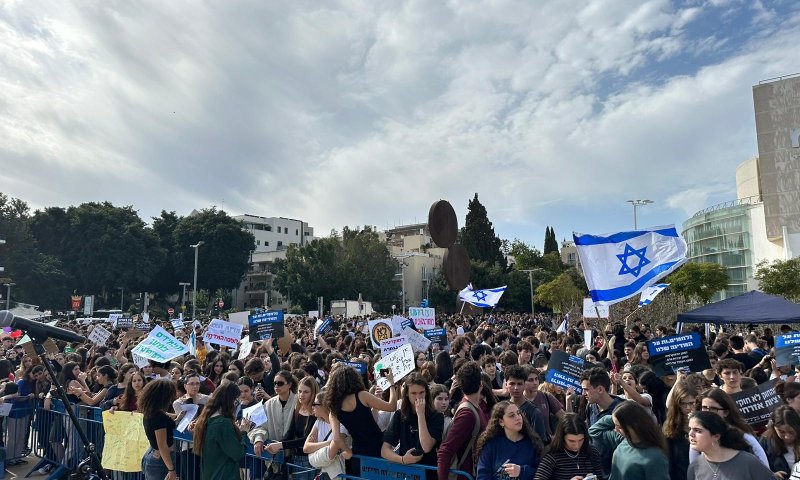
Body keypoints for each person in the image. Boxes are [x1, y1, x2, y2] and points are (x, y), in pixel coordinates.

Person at [325, 364, 398, 476]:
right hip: (378, 447)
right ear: (355, 379)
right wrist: (392, 384)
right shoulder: (362, 396)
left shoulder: (334, 409)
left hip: (358, 452)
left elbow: (337, 439)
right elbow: (392, 406)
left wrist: (347, 451)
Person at [381, 374, 444, 473]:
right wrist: (402, 460)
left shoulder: (437, 416)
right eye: (413, 393)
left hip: (427, 471)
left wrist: (420, 415)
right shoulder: (400, 415)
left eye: (421, 392)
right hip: (406, 471)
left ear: (426, 392)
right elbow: (385, 450)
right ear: (407, 394)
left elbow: (427, 447)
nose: (418, 397)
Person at [690, 388, 769, 466]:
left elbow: (764, 467)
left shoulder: (744, 437)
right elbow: (694, 469)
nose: (707, 413)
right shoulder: (696, 438)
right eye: (704, 408)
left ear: (726, 412)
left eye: (713, 409)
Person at [437, 361, 489, 480]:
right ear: (481, 385)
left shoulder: (473, 407)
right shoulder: (467, 414)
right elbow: (445, 450)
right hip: (466, 474)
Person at [687, 411, 774, 479]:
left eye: (698, 430)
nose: (691, 434)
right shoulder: (694, 466)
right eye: (690, 429)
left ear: (716, 436)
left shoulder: (748, 462)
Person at [191, 381, 251, 480]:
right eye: (236, 401)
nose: (236, 404)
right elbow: (238, 453)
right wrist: (243, 432)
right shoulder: (223, 423)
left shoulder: (205, 419)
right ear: (230, 400)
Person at [266, 376, 319, 480]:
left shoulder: (316, 412)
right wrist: (277, 445)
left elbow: (306, 440)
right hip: (295, 457)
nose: (301, 395)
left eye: (306, 392)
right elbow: (290, 433)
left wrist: (280, 445)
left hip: (310, 460)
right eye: (300, 391)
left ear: (313, 393)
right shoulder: (298, 408)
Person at [475, 401, 542, 480]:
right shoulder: (491, 445)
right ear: (501, 422)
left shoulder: (533, 443)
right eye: (512, 415)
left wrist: (521, 471)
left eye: (518, 413)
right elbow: (482, 476)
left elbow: (543, 474)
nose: (518, 418)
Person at [608, 401, 669, 480]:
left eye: (619, 426)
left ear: (634, 425)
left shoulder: (655, 457)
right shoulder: (623, 445)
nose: (615, 430)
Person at [533, 413, 603, 480]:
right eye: (571, 441)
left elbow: (600, 477)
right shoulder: (551, 456)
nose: (577, 445)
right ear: (562, 438)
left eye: (581, 440)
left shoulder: (592, 453)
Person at [304, 392, 350, 480]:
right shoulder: (318, 422)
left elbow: (331, 453)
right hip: (324, 473)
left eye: (315, 404)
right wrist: (328, 443)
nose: (312, 406)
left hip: (338, 474)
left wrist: (315, 448)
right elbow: (305, 448)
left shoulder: (341, 424)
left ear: (324, 406)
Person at [139, 378, 178, 480]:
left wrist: (181, 416)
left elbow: (170, 418)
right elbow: (162, 445)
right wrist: (171, 470)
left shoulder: (152, 411)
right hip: (160, 461)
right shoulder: (158, 416)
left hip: (154, 456)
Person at [662, 381, 697, 480]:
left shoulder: (704, 421)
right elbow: (669, 460)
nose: (688, 408)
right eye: (683, 404)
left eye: (691, 403)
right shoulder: (670, 426)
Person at [758, 405, 800, 478]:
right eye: (782, 432)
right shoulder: (765, 442)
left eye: (791, 432)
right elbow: (759, 468)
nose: (787, 437)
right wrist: (772, 475)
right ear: (774, 428)